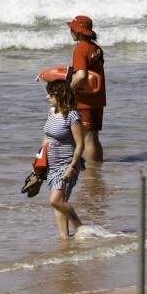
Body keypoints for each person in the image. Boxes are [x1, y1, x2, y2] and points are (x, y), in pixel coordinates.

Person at [41, 80, 86, 239]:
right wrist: (39, 162)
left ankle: (80, 227)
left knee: (55, 201)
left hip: (68, 164)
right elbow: (47, 137)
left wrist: (72, 167)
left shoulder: (73, 116)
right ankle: (65, 239)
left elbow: (80, 145)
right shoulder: (52, 111)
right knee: (60, 202)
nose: (47, 97)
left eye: (50, 94)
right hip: (52, 165)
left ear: (59, 95)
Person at [66, 15, 106, 162]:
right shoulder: (97, 49)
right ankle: (98, 168)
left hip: (85, 100)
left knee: (87, 138)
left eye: (72, 29)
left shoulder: (80, 50)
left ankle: (92, 172)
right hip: (98, 98)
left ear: (78, 32)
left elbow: (82, 75)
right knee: (94, 137)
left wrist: (68, 90)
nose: (70, 31)